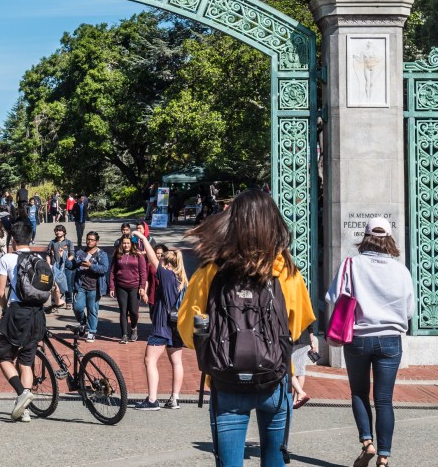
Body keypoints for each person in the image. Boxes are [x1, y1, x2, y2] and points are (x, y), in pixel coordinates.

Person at [178, 189, 316, 467]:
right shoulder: (286, 271)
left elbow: (187, 327)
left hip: (226, 380)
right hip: (274, 379)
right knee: (274, 459)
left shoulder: (211, 270)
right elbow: (299, 323)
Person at [326, 217, 414, 467]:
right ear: (389, 239)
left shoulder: (352, 264)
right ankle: (384, 457)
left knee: (359, 392)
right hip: (390, 340)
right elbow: (409, 310)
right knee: (385, 399)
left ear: (365, 237)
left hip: (359, 337)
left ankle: (367, 442)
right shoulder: (401, 270)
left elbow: (333, 296)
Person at [0, 220, 47, 422]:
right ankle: (25, 410)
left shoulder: (7, 259)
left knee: (4, 357)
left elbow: (0, 292)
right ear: (30, 238)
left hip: (17, 313)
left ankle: (22, 393)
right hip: (37, 314)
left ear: (13, 240)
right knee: (26, 362)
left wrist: (4, 308)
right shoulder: (39, 257)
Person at [134, 238, 188, 410]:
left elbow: (152, 259)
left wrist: (143, 239)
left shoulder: (167, 276)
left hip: (162, 325)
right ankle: (175, 398)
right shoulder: (182, 281)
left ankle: (152, 399)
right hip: (176, 326)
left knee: (149, 360)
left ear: (167, 263)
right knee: (177, 361)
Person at [68, 231, 109, 342]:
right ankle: (83, 323)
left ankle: (91, 332)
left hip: (94, 287)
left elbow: (104, 268)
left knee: (92, 310)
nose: (89, 241)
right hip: (80, 285)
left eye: (92, 239)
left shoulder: (102, 254)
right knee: (78, 307)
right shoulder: (81, 252)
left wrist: (91, 266)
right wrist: (65, 258)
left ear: (97, 241)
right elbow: (72, 266)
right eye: (88, 239)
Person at [109, 232, 147, 344]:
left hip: (134, 286)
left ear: (132, 244)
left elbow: (143, 272)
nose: (126, 245)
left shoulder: (138, 255)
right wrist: (111, 287)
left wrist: (142, 286)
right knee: (123, 311)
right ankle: (124, 334)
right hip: (121, 286)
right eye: (124, 243)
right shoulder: (118, 255)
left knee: (134, 311)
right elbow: (112, 272)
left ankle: (134, 327)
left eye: (128, 243)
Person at [46, 224, 72, 312]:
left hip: (65, 268)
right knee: (54, 285)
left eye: (60, 230)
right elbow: (48, 255)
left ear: (64, 232)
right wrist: (49, 264)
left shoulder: (68, 242)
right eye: (56, 230)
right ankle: (54, 304)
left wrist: (67, 260)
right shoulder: (52, 242)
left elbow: (72, 254)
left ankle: (69, 301)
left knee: (67, 284)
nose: (58, 232)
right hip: (55, 267)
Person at [291, 331, 319, 409]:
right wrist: (312, 342)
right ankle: (296, 398)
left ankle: (297, 397)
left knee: (292, 369)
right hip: (304, 339)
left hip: (293, 339)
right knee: (300, 370)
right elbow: (311, 326)